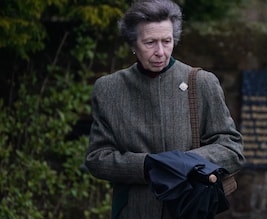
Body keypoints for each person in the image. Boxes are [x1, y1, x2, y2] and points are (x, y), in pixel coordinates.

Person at [85, 0, 245, 218]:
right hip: (134, 211)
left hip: (187, 208)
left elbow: (231, 149)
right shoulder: (110, 89)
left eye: (167, 41)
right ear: (133, 44)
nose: (160, 51)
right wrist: (147, 166)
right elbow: (97, 158)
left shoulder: (202, 82)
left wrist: (183, 163)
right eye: (150, 42)